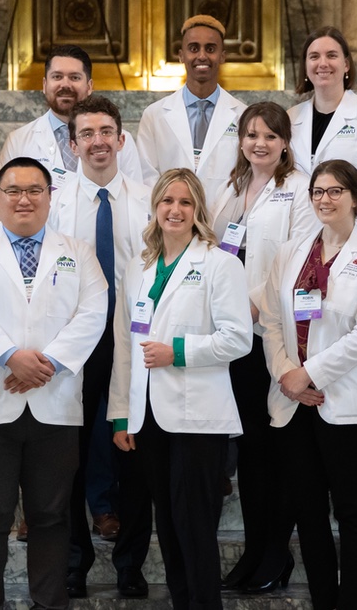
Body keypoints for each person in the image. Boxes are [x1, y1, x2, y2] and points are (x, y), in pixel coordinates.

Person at [0, 157, 109, 610]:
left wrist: (48, 364)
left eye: (34, 190)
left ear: (50, 198)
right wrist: (12, 359)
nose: (24, 198)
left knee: (51, 516)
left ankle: (50, 603)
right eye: (13, 190)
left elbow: (93, 314)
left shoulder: (78, 252)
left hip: (54, 404)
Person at [108, 168, 252, 610]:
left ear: (198, 211)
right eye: (167, 201)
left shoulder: (219, 263)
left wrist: (178, 351)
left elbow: (238, 338)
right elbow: (125, 344)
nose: (175, 210)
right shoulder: (139, 265)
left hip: (197, 418)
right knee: (167, 526)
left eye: (185, 202)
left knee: (194, 527)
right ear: (154, 207)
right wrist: (121, 415)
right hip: (148, 416)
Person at [259, 159, 357, 610]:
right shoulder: (290, 252)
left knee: (353, 512)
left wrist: (309, 373)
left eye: (336, 191)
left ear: (355, 198)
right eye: (318, 191)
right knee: (309, 512)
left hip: (343, 403)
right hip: (293, 402)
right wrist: (286, 375)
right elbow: (272, 320)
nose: (324, 199)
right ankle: (323, 602)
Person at [46, 94, 154, 598]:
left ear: (121, 138)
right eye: (86, 133)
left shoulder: (150, 197)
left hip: (133, 342)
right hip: (73, 343)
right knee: (69, 453)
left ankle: (131, 563)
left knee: (133, 453)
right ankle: (74, 561)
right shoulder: (54, 202)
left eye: (106, 131)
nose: (97, 141)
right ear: (72, 145)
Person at [208, 100, 319, 593]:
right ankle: (257, 553)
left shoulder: (297, 190)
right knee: (251, 450)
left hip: (269, 334)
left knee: (275, 451)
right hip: (232, 337)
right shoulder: (230, 189)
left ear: (285, 141)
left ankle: (275, 554)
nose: (259, 143)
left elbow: (295, 262)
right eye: (251, 134)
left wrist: (250, 305)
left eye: (270, 136)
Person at [0, 44, 145, 191]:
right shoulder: (18, 141)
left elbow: (136, 200)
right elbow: (5, 203)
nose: (65, 84)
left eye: (74, 77)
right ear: (44, 84)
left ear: (89, 86)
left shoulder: (119, 140)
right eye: (57, 77)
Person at [137, 15, 245, 202]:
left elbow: (246, 175)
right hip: (171, 220)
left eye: (210, 49)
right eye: (193, 48)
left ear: (222, 56)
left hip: (221, 220)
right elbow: (147, 176)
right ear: (181, 55)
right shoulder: (154, 115)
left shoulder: (242, 115)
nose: (202, 56)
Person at [287, 27, 357, 175]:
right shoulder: (291, 117)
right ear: (306, 66)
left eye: (331, 55)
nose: (323, 64)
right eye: (314, 57)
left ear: (346, 65)